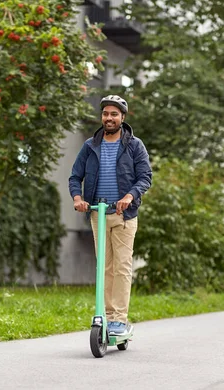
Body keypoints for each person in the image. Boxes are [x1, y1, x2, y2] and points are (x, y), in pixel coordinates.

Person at [69, 95, 152, 336]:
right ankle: (104, 315)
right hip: (98, 213)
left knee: (122, 267)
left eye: (114, 114)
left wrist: (129, 196)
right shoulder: (90, 145)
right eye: (106, 113)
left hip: (124, 215)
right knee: (104, 267)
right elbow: (75, 176)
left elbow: (145, 177)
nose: (109, 118)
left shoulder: (134, 145)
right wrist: (78, 198)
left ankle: (119, 318)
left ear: (122, 118)